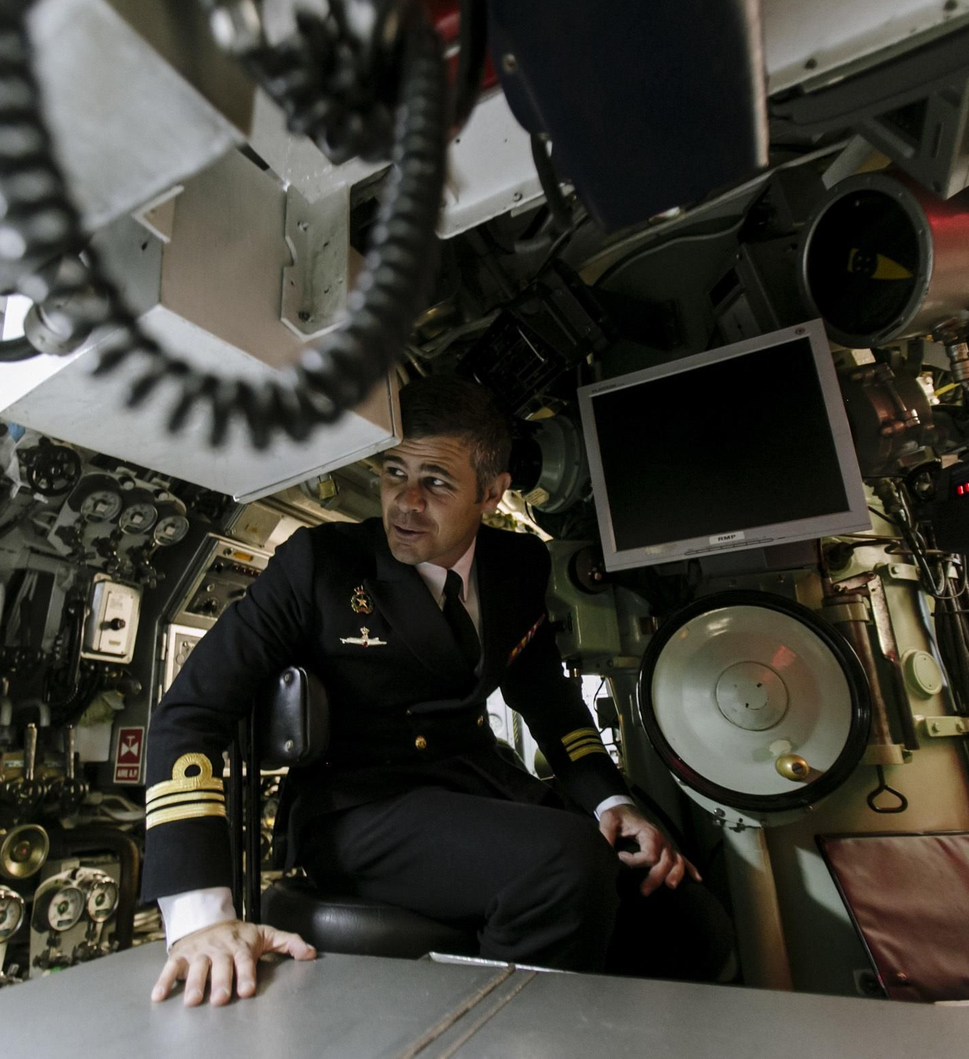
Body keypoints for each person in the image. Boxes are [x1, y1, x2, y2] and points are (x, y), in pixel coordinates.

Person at [140, 375, 731, 1007]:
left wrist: (612, 800)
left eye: (437, 481)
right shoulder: (320, 563)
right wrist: (201, 916)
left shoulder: (517, 565)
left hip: (477, 784)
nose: (405, 502)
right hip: (359, 807)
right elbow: (191, 712)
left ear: (493, 492)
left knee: (681, 906)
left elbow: (549, 701)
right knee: (563, 863)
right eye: (395, 471)